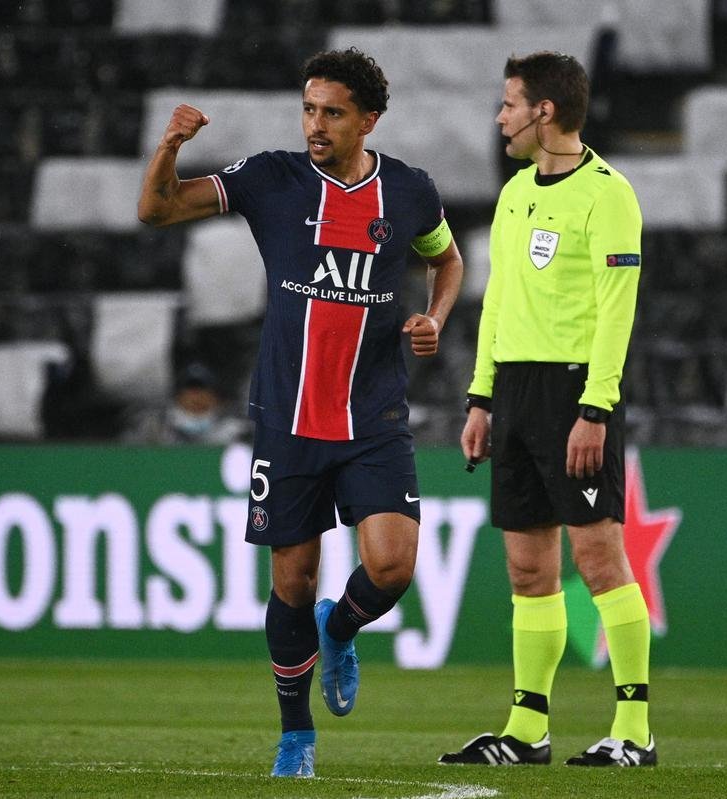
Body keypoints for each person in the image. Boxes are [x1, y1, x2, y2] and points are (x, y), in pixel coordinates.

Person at [137, 48, 464, 778]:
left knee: (392, 567)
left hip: (373, 415)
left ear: (368, 120)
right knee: (292, 582)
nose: (316, 124)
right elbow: (157, 209)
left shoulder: (409, 191)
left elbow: (446, 260)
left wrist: (435, 318)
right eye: (309, 109)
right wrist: (170, 148)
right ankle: (296, 737)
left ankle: (339, 629)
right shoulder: (272, 179)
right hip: (289, 416)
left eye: (333, 113)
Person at [439, 51, 653, 768]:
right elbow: (497, 301)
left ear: (545, 111)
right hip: (515, 394)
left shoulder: (608, 194)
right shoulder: (513, 195)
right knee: (528, 570)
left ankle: (635, 729)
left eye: (510, 104)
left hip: (575, 393)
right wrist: (480, 397)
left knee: (598, 559)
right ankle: (527, 730)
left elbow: (617, 309)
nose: (500, 117)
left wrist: (596, 407)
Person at [154, 361, 247, 445]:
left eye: (203, 390)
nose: (197, 397)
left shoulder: (235, 431)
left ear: (215, 397)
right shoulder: (159, 429)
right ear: (178, 397)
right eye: (191, 390)